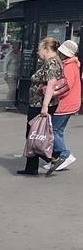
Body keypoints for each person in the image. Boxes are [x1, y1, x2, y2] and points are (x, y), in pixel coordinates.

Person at [18, 36, 64, 176]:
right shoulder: (50, 62)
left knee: (35, 134)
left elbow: (51, 85)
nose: (38, 52)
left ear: (46, 49)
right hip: (39, 103)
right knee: (34, 134)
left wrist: (44, 107)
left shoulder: (52, 63)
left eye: (39, 49)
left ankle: (53, 157)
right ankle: (31, 167)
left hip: (41, 104)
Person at [46, 39, 80, 173]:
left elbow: (65, 86)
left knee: (52, 131)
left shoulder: (68, 66)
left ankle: (65, 154)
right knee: (58, 131)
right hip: (71, 104)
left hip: (64, 104)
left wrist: (50, 93)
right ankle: (59, 157)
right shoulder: (73, 64)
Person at [3, 41, 21, 109]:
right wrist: (5, 73)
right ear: (14, 47)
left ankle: (12, 103)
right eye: (17, 47)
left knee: (15, 89)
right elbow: (5, 64)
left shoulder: (19, 54)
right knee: (12, 89)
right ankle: (7, 103)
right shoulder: (9, 55)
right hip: (10, 74)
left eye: (19, 47)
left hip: (17, 74)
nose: (18, 48)